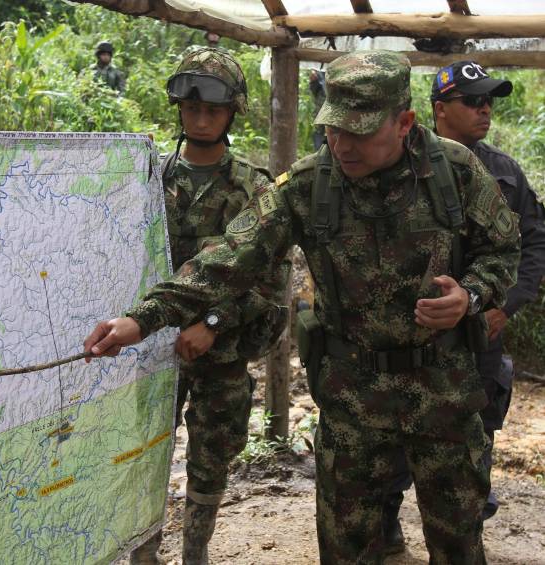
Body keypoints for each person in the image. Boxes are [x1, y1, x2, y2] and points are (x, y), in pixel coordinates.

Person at [85, 50, 520, 564]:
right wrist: (144, 318)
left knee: (458, 544)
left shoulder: (458, 171)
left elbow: (503, 249)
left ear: (404, 123)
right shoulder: (310, 183)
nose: (341, 145)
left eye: (358, 132)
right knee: (346, 547)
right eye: (334, 130)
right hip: (352, 398)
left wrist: (469, 294)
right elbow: (230, 256)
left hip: (445, 389)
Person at [129, 47, 289, 565]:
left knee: (210, 459)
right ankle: (142, 551)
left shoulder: (255, 187)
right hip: (149, 349)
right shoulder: (146, 179)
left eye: (213, 110)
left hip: (221, 353)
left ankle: (195, 552)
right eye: (191, 108)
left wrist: (214, 324)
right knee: (142, 454)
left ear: (232, 112)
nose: (200, 118)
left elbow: (271, 281)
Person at [379, 60, 545, 553]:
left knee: (477, 430)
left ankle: (465, 528)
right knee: (395, 434)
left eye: (489, 100)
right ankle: (387, 523)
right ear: (439, 110)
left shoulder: (505, 173)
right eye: (473, 101)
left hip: (478, 338)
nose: (485, 110)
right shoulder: (399, 164)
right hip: (412, 336)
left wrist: (505, 306)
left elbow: (534, 244)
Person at [309, 69, 327, 150]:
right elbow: (314, 89)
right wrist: (313, 79)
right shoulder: (319, 72)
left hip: (332, 112)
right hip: (321, 113)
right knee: (319, 132)